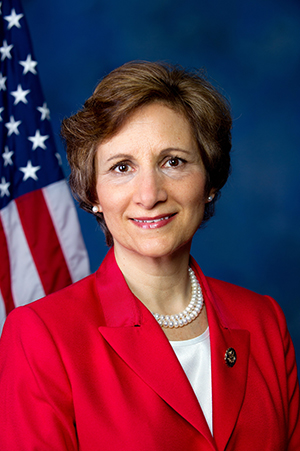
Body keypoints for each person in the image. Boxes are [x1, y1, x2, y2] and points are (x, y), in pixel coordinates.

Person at [0, 61, 299, 450]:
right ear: (93, 194)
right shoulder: (40, 335)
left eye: (172, 161)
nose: (149, 194)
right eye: (121, 167)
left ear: (208, 179)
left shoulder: (264, 321)